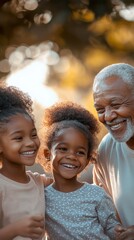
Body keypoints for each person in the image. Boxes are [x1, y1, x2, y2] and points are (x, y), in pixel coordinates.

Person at [40, 101, 121, 240]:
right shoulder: (41, 196)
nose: (71, 156)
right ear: (48, 154)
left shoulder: (97, 195)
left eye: (80, 152)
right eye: (63, 149)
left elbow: (113, 229)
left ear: (88, 159)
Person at [0, 86, 51, 240]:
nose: (30, 143)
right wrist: (15, 229)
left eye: (33, 134)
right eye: (18, 138)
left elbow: (67, 186)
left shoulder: (38, 182)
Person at [92, 63, 134, 239]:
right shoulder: (107, 148)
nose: (107, 116)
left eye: (115, 104)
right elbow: (105, 215)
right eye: (100, 110)